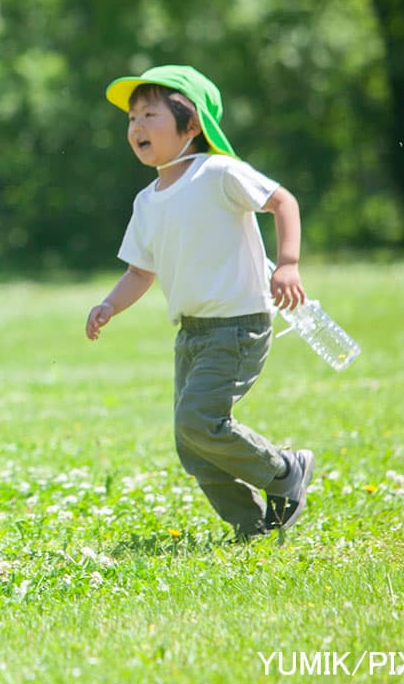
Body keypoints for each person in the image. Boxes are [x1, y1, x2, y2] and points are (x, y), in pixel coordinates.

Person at [85, 65, 315, 539]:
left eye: (150, 114)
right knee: (191, 444)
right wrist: (110, 305)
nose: (137, 127)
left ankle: (285, 471)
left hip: (237, 324)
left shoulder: (218, 172)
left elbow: (282, 202)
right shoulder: (148, 200)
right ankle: (251, 526)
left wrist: (288, 263)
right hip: (191, 331)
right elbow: (139, 271)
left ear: (191, 125)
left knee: (200, 422)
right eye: (131, 119)